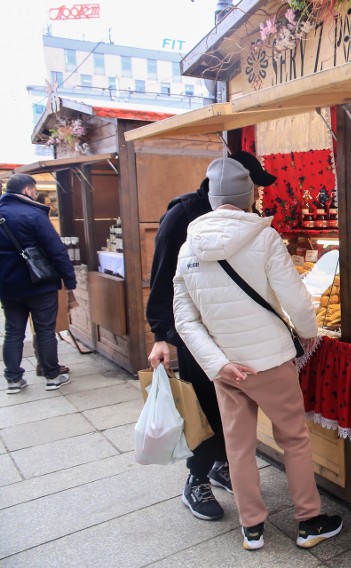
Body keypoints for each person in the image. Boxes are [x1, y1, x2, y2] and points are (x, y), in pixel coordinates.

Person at [173, 157, 342, 551]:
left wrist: (219, 365)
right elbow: (297, 301)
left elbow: (186, 321)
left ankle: (252, 528)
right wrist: (308, 335)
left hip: (227, 368)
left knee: (239, 447)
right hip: (271, 361)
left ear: (214, 198)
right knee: (295, 440)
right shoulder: (264, 238)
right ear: (249, 196)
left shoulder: (188, 246)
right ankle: (308, 522)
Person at [146, 151, 277, 521]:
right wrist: (159, 334)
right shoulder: (183, 214)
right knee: (203, 405)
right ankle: (196, 478)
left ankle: (221, 465)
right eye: (252, 185)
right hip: (195, 332)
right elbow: (161, 277)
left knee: (232, 409)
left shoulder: (243, 218)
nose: (255, 193)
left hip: (235, 330)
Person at [0, 174, 76, 394]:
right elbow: (56, 249)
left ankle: (13, 379)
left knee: (13, 332)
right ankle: (52, 375)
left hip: (7, 286)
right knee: (45, 330)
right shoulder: (33, 213)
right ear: (26, 190)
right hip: (39, 283)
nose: (35, 194)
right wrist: (69, 280)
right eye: (34, 191)